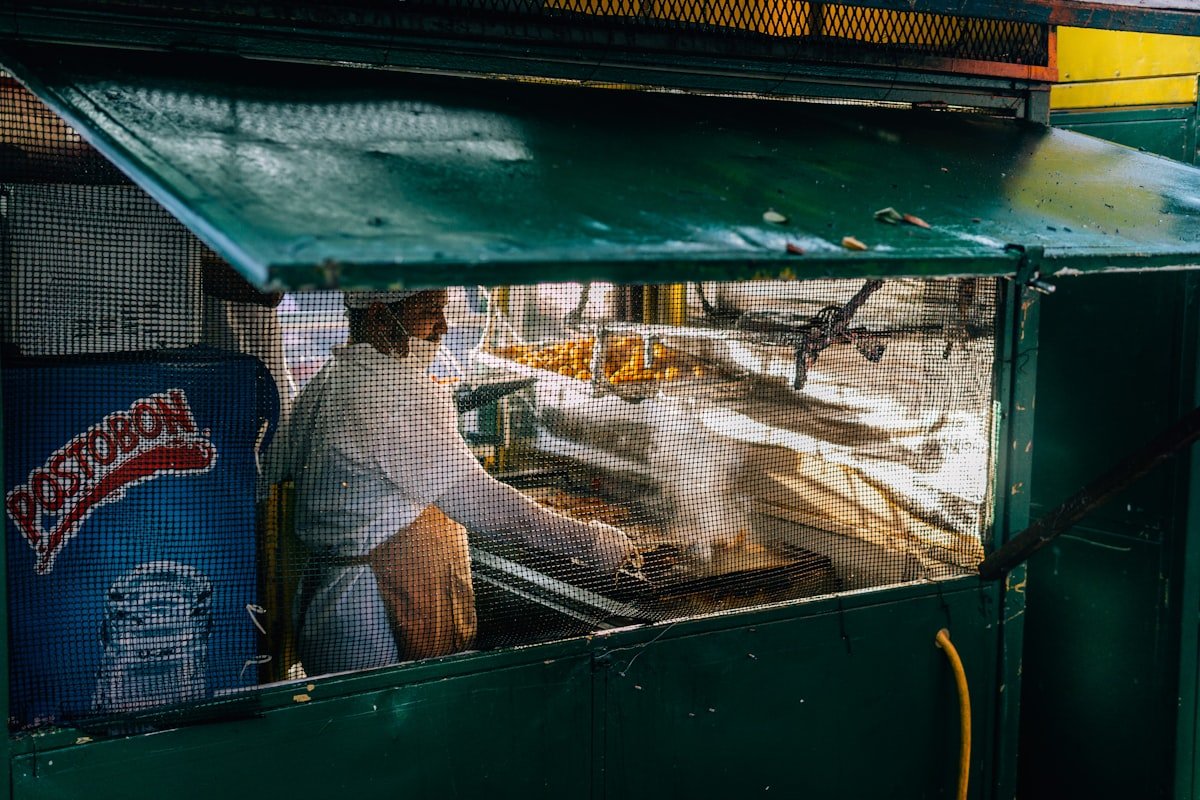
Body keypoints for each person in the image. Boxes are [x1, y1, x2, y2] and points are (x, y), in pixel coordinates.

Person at [277, 289, 636, 675]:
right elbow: (487, 507)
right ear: (380, 317)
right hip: (374, 615)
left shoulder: (327, 379)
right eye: (430, 312)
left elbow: (281, 466)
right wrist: (594, 542)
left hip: (327, 605)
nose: (443, 327)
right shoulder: (398, 389)